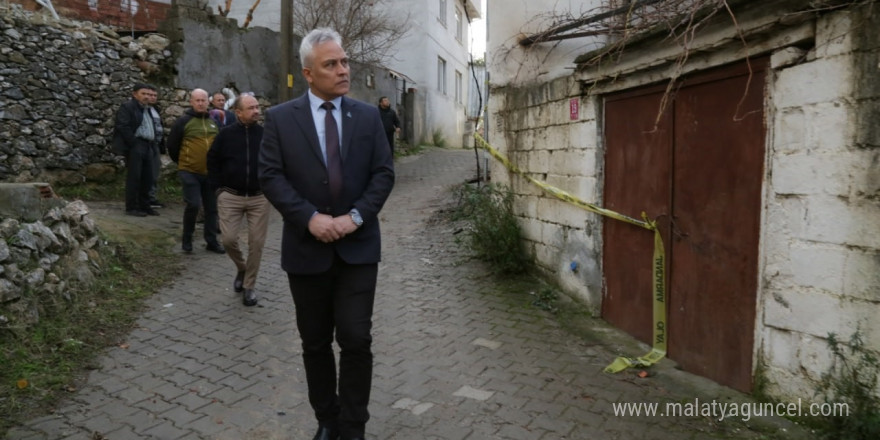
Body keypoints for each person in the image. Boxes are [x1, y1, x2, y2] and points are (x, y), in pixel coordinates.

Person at [259, 28, 394, 440]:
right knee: (315, 343)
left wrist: (354, 217)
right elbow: (271, 176)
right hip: (306, 249)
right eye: (330, 64)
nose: (342, 70)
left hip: (358, 248)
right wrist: (308, 218)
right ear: (308, 73)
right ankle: (327, 419)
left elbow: (383, 174)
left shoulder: (368, 117)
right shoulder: (281, 119)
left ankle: (353, 426)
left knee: (355, 338)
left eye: (344, 61)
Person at [207, 94, 270, 306]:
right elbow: (212, 160)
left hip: (259, 198)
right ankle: (242, 269)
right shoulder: (225, 135)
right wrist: (218, 189)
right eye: (251, 108)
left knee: (257, 243)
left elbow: (275, 162)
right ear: (239, 112)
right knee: (228, 240)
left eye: (257, 107)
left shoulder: (265, 135)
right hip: (230, 196)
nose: (256, 111)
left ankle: (249, 286)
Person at [166, 88, 225, 254]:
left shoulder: (214, 122)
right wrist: (183, 163)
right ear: (191, 102)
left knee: (211, 208)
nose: (200, 103)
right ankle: (187, 239)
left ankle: (211, 241)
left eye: (203, 100)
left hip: (210, 174)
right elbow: (172, 146)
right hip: (189, 171)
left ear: (208, 102)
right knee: (193, 204)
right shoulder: (183, 122)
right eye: (197, 100)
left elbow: (220, 146)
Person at [112, 83, 160, 217]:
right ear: (135, 94)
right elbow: (123, 125)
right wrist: (133, 143)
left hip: (148, 144)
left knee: (148, 177)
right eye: (143, 94)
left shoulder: (148, 109)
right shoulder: (128, 107)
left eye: (147, 94)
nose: (146, 97)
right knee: (135, 177)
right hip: (137, 144)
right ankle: (132, 207)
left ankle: (145, 205)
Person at [145, 87, 166, 208]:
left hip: (156, 146)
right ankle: (146, 198)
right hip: (147, 145)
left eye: (155, 95)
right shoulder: (142, 110)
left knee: (155, 172)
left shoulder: (156, 109)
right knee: (147, 173)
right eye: (150, 95)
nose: (152, 97)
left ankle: (151, 197)